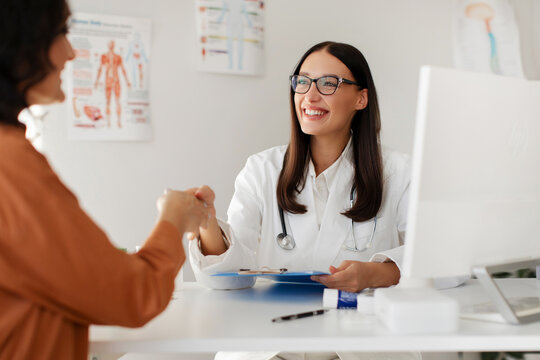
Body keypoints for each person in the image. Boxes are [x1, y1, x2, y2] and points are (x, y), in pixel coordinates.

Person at [0, 0, 210, 358]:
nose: (70, 53)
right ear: (19, 45)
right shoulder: (11, 164)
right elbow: (132, 294)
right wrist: (173, 220)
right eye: (61, 34)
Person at [188, 41, 418, 360]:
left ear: (361, 98)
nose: (310, 96)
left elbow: (432, 260)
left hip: (359, 347)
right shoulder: (262, 170)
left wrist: (375, 273)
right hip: (273, 347)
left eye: (328, 83)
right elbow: (230, 277)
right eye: (303, 82)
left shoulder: (399, 171)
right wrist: (208, 223)